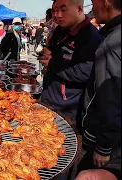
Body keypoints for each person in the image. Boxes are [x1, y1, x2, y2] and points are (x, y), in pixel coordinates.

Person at [40, 0, 103, 122]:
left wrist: (52, 63)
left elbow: (86, 72)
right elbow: (52, 54)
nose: (57, 15)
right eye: (54, 10)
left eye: (63, 10)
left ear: (79, 9)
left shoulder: (91, 37)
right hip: (48, 98)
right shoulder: (60, 31)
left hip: (68, 110)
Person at [77, 0, 121, 174]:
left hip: (108, 146)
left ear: (106, 3)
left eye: (94, 2)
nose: (92, 7)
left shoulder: (111, 44)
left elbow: (111, 96)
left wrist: (103, 146)